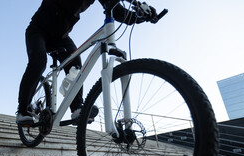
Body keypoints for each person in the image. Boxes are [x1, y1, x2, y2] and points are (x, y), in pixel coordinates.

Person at [16, 0, 157, 125]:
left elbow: (118, 12)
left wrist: (141, 16)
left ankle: (77, 108)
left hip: (61, 38)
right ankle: (22, 110)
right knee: (39, 62)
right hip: (38, 30)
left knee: (76, 63)